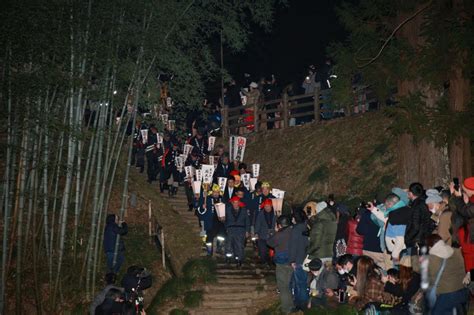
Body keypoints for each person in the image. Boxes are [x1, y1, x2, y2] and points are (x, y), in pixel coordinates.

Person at [424, 234, 468, 314]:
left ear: (430, 246)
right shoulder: (456, 251)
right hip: (460, 291)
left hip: (446, 294)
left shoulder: (434, 258)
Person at [267, 215, 294, 314]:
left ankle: (286, 309)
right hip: (292, 261)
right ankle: (291, 305)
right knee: (289, 285)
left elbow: (270, 242)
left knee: (283, 286)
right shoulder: (293, 232)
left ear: (279, 225)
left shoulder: (280, 235)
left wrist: (275, 231)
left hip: (282, 263)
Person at [356, 204, 389, 270]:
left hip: (368, 248)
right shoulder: (389, 214)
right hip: (383, 250)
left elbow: (359, 230)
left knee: (368, 271)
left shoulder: (367, 214)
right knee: (383, 271)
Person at [405, 182, 432, 253]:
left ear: (411, 193)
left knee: (415, 262)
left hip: (416, 241)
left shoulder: (416, 206)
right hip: (423, 239)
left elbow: (415, 226)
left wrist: (407, 238)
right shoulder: (423, 203)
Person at [224, 196, 250, 267]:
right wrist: (226, 227)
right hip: (230, 229)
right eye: (234, 203)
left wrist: (247, 231)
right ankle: (228, 258)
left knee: (239, 245)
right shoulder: (228, 210)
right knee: (228, 245)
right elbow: (225, 220)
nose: (235, 204)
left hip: (240, 230)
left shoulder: (244, 210)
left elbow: (247, 221)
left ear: (239, 203)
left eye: (236, 203)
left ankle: (239, 260)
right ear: (232, 203)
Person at [254, 198, 276, 265]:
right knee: (262, 249)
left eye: (268, 206)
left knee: (274, 249)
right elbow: (258, 223)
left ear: (271, 206)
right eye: (266, 206)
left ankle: (273, 261)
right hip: (263, 234)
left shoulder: (276, 213)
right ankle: (264, 261)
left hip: (273, 234)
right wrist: (256, 232)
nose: (267, 208)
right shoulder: (261, 213)